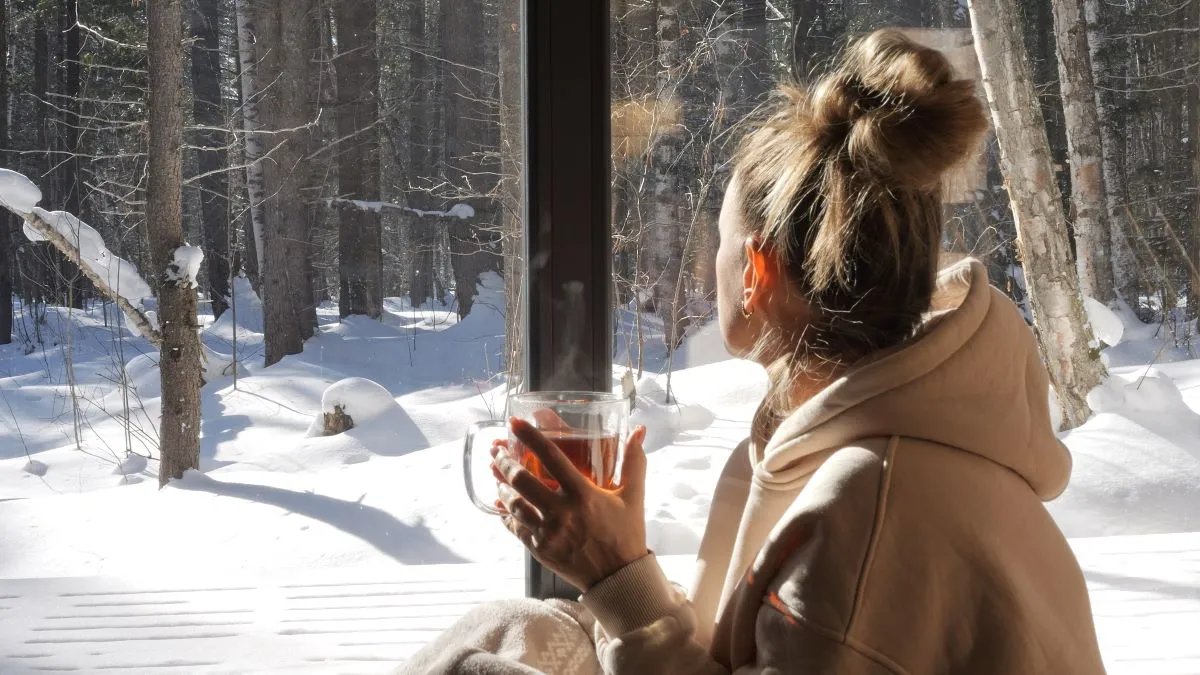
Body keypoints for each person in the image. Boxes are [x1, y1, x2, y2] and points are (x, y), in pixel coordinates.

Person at [398, 29, 1107, 674]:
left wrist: (618, 577)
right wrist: (620, 564)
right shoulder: (831, 452)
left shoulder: (866, 509)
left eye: (720, 238)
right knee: (513, 628)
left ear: (755, 273)